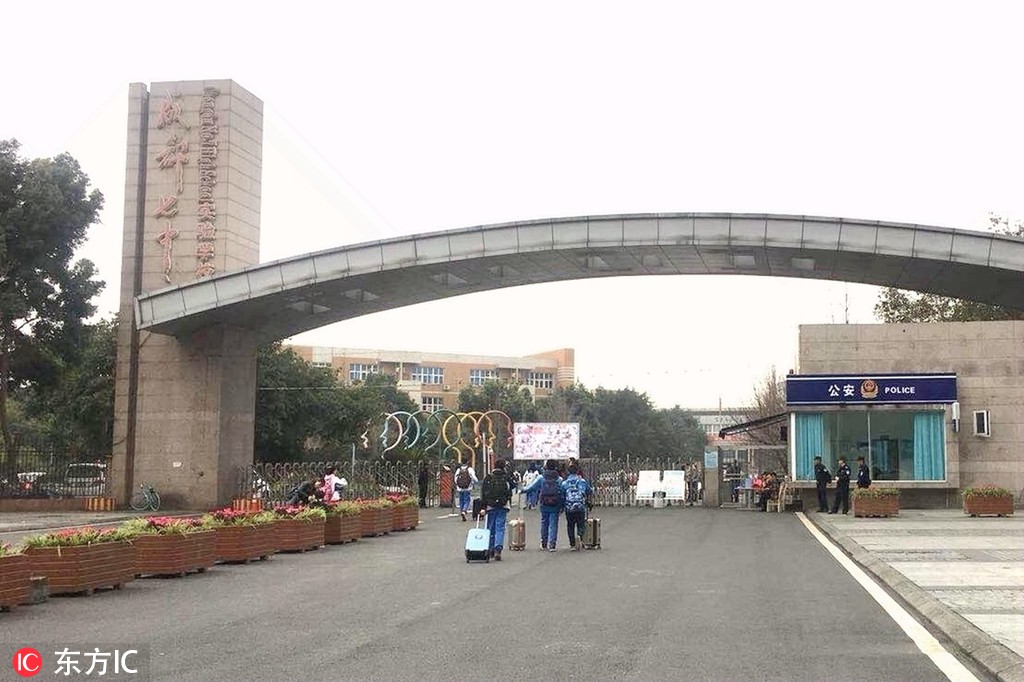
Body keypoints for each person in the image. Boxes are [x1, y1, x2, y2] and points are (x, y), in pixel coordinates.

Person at [522, 459, 564, 551]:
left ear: (546, 467)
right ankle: (552, 544)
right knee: (553, 524)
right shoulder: (559, 479)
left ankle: (544, 543)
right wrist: (562, 505)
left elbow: (531, 487)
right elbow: (562, 492)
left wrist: (522, 490)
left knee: (544, 522)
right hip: (555, 504)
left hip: (544, 503)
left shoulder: (541, 478)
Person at [480, 459, 515, 560]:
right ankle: (498, 549)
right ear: (503, 466)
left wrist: (483, 507)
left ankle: (490, 548)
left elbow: (483, 493)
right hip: (503, 505)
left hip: (490, 506)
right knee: (500, 527)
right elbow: (512, 487)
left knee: (490, 527)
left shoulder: (489, 477)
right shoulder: (506, 477)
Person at [561, 464, 592, 551]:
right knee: (580, 524)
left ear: (568, 472)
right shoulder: (582, 481)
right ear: (577, 471)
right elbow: (590, 491)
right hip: (580, 506)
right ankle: (580, 536)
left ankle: (572, 544)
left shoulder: (565, 483)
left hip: (569, 507)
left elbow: (562, 495)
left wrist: (562, 506)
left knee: (570, 525)